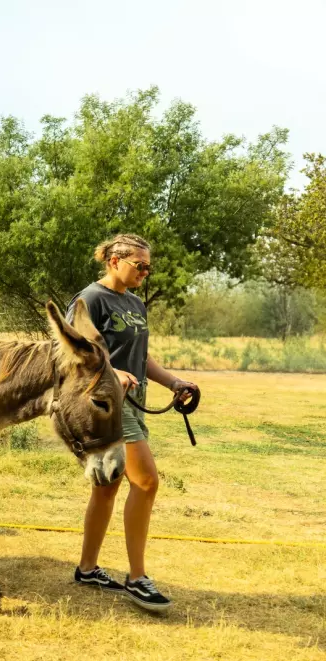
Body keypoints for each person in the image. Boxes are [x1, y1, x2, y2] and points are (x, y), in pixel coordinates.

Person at [69, 233, 199, 612]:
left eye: (148, 266)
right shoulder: (88, 300)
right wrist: (111, 374)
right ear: (113, 261)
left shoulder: (135, 303)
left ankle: (87, 568)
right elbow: (71, 355)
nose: (145, 271)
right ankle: (137, 578)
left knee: (107, 488)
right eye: (138, 264)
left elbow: (140, 357)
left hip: (134, 403)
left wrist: (174, 382)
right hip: (106, 405)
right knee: (146, 481)